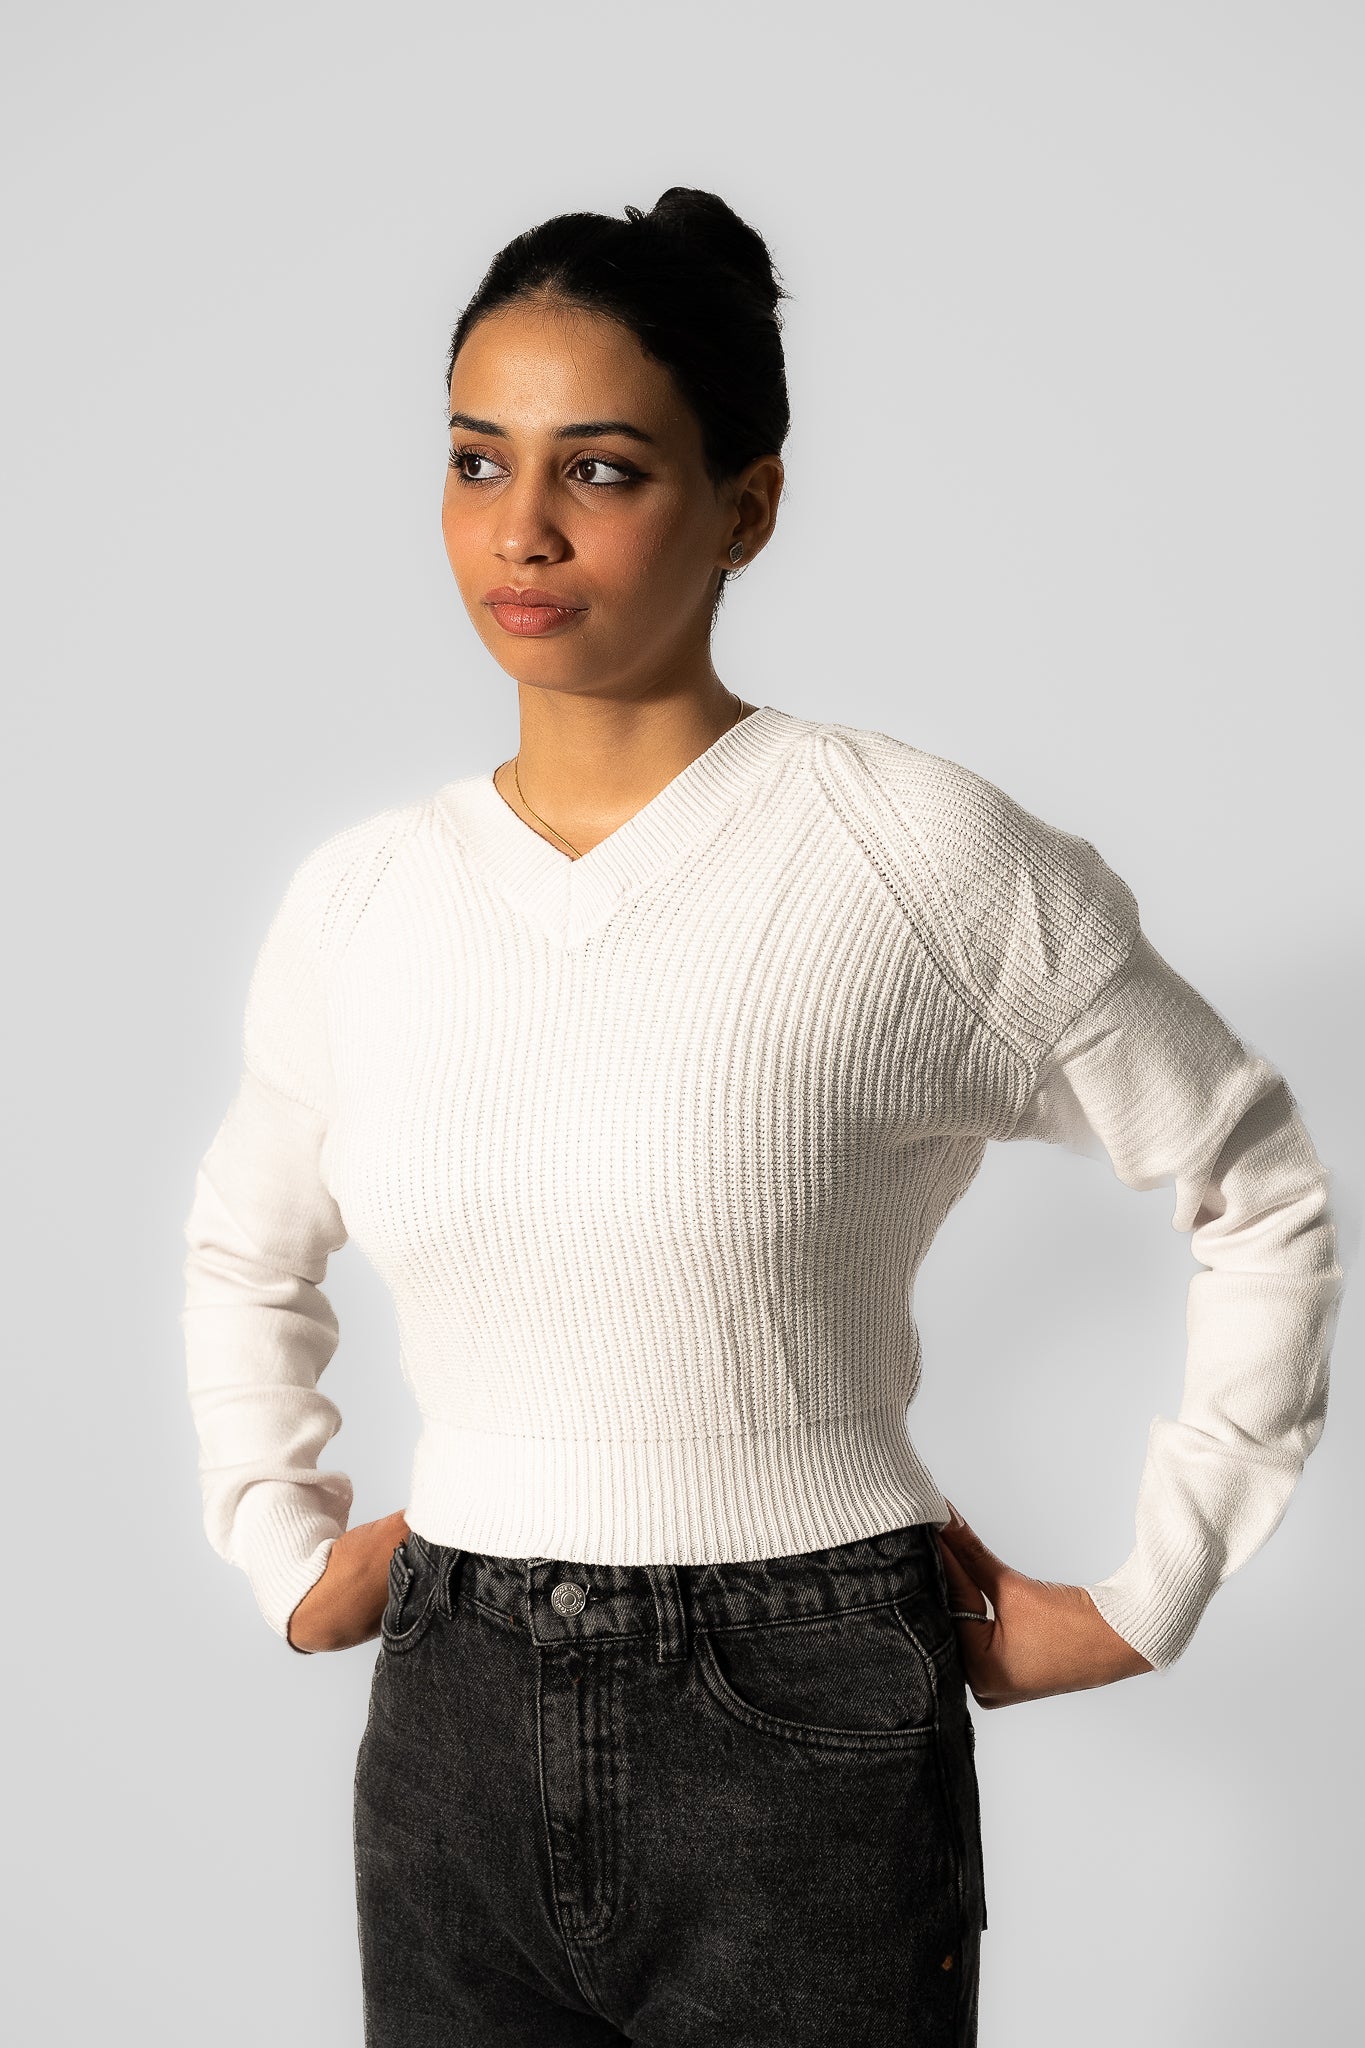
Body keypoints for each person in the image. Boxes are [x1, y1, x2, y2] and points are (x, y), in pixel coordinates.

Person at [180, 188, 1343, 2047]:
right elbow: (247, 1248)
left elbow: (1254, 1180)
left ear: (747, 505)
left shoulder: (912, 857)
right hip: (450, 1713)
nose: (522, 527)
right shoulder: (363, 902)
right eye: (477, 461)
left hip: (802, 1712)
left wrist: (1151, 1590)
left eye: (602, 469)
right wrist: (276, 1536)